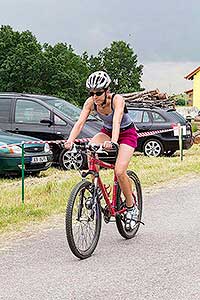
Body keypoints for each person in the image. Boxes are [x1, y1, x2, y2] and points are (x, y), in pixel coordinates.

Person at [64, 71, 139, 231]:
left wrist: (113, 142)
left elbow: (117, 120)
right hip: (107, 131)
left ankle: (131, 207)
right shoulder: (90, 103)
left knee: (119, 171)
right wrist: (70, 140)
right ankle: (95, 190)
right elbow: (80, 123)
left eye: (98, 93)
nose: (95, 96)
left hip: (126, 134)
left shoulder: (117, 100)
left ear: (107, 91)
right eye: (91, 93)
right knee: (90, 149)